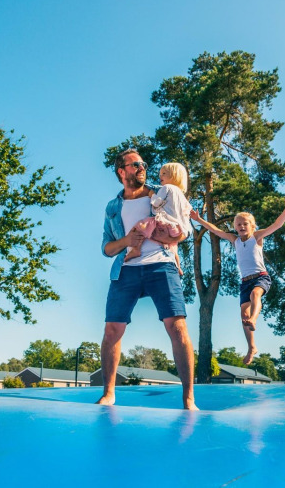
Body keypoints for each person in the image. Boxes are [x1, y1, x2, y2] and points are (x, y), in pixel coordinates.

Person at [99, 149, 198, 410]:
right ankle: (109, 394)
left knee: (177, 326)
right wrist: (126, 241)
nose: (142, 167)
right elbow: (107, 248)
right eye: (135, 164)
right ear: (122, 171)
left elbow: (185, 228)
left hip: (162, 265)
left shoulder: (163, 192)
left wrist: (173, 237)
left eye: (143, 163)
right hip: (126, 269)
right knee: (112, 330)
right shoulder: (113, 207)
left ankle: (189, 398)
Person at [190, 195, 285, 365]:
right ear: (235, 227)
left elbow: (277, 225)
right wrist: (199, 220)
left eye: (245, 224)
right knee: (243, 314)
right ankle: (252, 347)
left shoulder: (257, 237)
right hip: (245, 282)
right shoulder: (234, 240)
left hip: (261, 277)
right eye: (238, 224)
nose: (242, 226)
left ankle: (254, 319)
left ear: (252, 226)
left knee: (255, 295)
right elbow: (216, 230)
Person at [123, 162, 192, 275]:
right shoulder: (181, 195)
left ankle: (136, 249)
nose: (160, 176)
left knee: (140, 226)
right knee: (173, 247)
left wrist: (151, 195)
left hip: (165, 224)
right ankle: (178, 267)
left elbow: (156, 202)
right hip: (177, 229)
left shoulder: (167, 188)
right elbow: (186, 212)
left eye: (164, 173)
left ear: (173, 176)